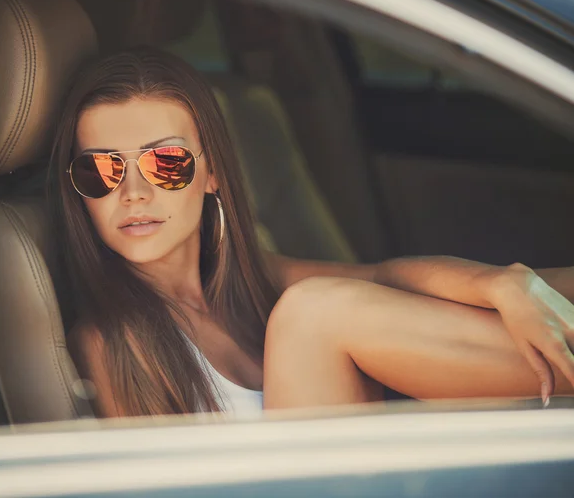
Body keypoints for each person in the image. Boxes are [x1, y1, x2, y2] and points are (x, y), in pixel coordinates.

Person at [50, 46, 574, 418]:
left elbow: (387, 278)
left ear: (214, 174)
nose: (134, 192)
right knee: (314, 311)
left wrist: (505, 284)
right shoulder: (108, 342)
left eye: (166, 162)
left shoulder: (252, 278)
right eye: (102, 170)